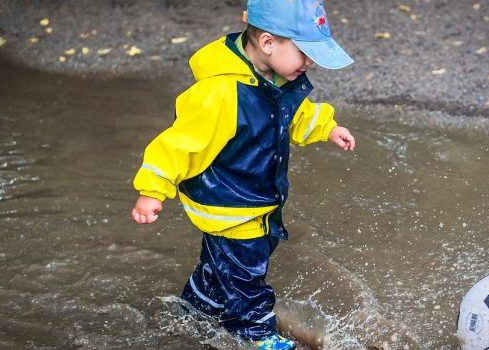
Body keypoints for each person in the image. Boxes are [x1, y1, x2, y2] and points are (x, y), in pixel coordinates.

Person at [130, 1, 355, 348]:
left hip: (248, 201)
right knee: (249, 277)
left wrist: (326, 128)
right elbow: (178, 144)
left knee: (219, 264)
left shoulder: (275, 79)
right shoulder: (220, 93)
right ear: (267, 43)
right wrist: (152, 191)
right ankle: (257, 337)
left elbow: (294, 115)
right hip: (233, 205)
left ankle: (194, 308)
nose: (310, 63)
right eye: (305, 53)